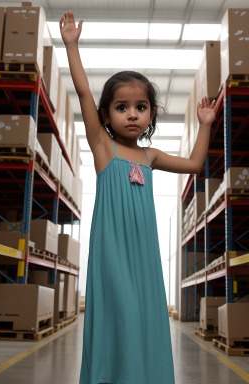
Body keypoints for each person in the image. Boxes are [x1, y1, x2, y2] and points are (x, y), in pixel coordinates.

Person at [60, 10, 216, 384]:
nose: (132, 115)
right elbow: (83, 91)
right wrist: (71, 46)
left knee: (145, 315)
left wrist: (206, 125)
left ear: (151, 115)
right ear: (106, 114)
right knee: (123, 312)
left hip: (144, 252)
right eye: (121, 107)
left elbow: (195, 163)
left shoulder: (151, 157)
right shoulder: (103, 147)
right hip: (112, 250)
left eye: (141, 108)